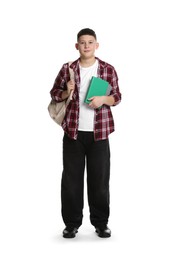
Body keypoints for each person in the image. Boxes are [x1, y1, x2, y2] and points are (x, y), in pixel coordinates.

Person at [50, 28, 121, 238]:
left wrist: (103, 100)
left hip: (99, 133)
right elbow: (54, 93)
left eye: (90, 42)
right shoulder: (68, 69)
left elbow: (117, 96)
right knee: (71, 181)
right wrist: (66, 91)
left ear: (96, 45)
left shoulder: (107, 69)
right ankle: (71, 224)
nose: (87, 45)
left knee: (99, 180)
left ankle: (101, 223)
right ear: (77, 46)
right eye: (82, 42)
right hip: (73, 133)